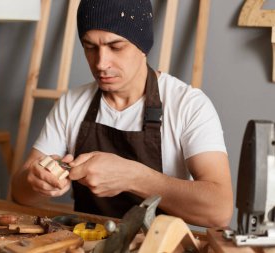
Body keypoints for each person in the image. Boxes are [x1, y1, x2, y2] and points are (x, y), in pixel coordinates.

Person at [12, 0, 233, 227]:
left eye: (116, 47)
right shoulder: (72, 103)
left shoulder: (188, 105)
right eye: (90, 47)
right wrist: (37, 182)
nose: (101, 63)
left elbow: (220, 209)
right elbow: (20, 193)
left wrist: (134, 177)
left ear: (143, 46)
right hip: (85, 244)